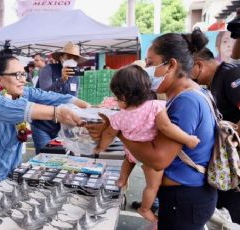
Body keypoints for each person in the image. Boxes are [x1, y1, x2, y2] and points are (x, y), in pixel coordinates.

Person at [86, 30, 217, 229]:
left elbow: (158, 159)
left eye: (149, 63)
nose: (145, 70)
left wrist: (120, 131)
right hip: (186, 196)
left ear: (171, 65)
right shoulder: (190, 94)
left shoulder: (186, 101)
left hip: (184, 199)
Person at [0, 55, 89, 200]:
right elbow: (16, 109)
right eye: (16, 75)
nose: (23, 79)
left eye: (23, 74)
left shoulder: (21, 92)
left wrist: (88, 107)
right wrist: (56, 113)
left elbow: (50, 96)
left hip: (9, 169)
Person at [96, 65, 200, 222]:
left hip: (132, 152)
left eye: (117, 97)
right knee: (152, 186)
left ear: (124, 96)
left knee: (128, 161)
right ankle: (144, 209)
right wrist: (188, 139)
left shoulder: (119, 117)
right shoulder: (155, 106)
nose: (116, 101)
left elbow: (109, 133)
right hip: (148, 155)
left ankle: (122, 180)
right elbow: (167, 128)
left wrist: (100, 147)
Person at [191, 44, 240, 223]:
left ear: (199, 65)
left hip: (234, 163)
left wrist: (231, 150)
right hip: (225, 164)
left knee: (232, 218)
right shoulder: (213, 82)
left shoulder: (230, 75)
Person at [31, 41, 87, 154]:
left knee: (61, 159)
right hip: (43, 124)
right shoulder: (48, 69)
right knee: (44, 157)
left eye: (75, 58)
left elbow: (72, 99)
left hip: (62, 127)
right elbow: (44, 94)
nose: (72, 60)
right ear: (61, 57)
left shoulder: (76, 76)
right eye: (68, 56)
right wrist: (62, 80)